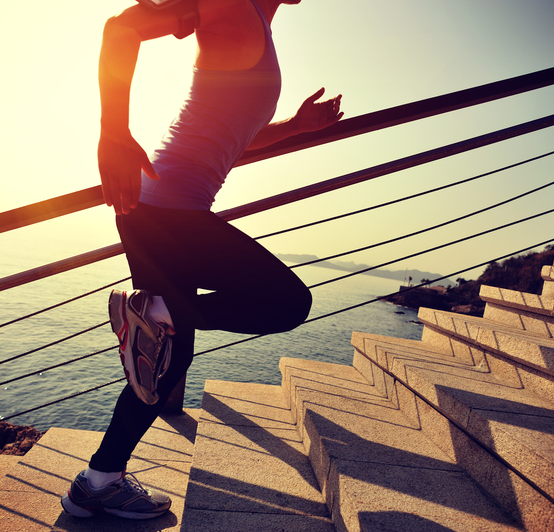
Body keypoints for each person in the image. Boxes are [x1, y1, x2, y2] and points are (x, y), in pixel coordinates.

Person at [61, 0, 343, 520]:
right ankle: (157, 315)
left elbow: (238, 137)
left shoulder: (257, 23)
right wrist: (114, 134)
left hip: (161, 211)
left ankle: (98, 481)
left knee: (169, 359)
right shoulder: (229, 5)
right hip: (167, 210)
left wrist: (297, 127)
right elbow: (122, 29)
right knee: (286, 302)